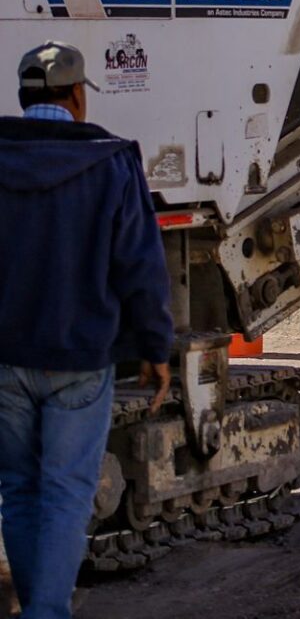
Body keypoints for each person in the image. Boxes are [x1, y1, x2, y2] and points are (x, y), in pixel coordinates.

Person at [0, 41, 174, 619]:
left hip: (4, 356)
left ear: (23, 97)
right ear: (77, 97)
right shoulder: (112, 161)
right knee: (65, 494)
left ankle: (37, 606)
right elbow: (140, 266)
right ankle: (46, 613)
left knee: (18, 490)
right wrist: (155, 347)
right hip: (79, 358)